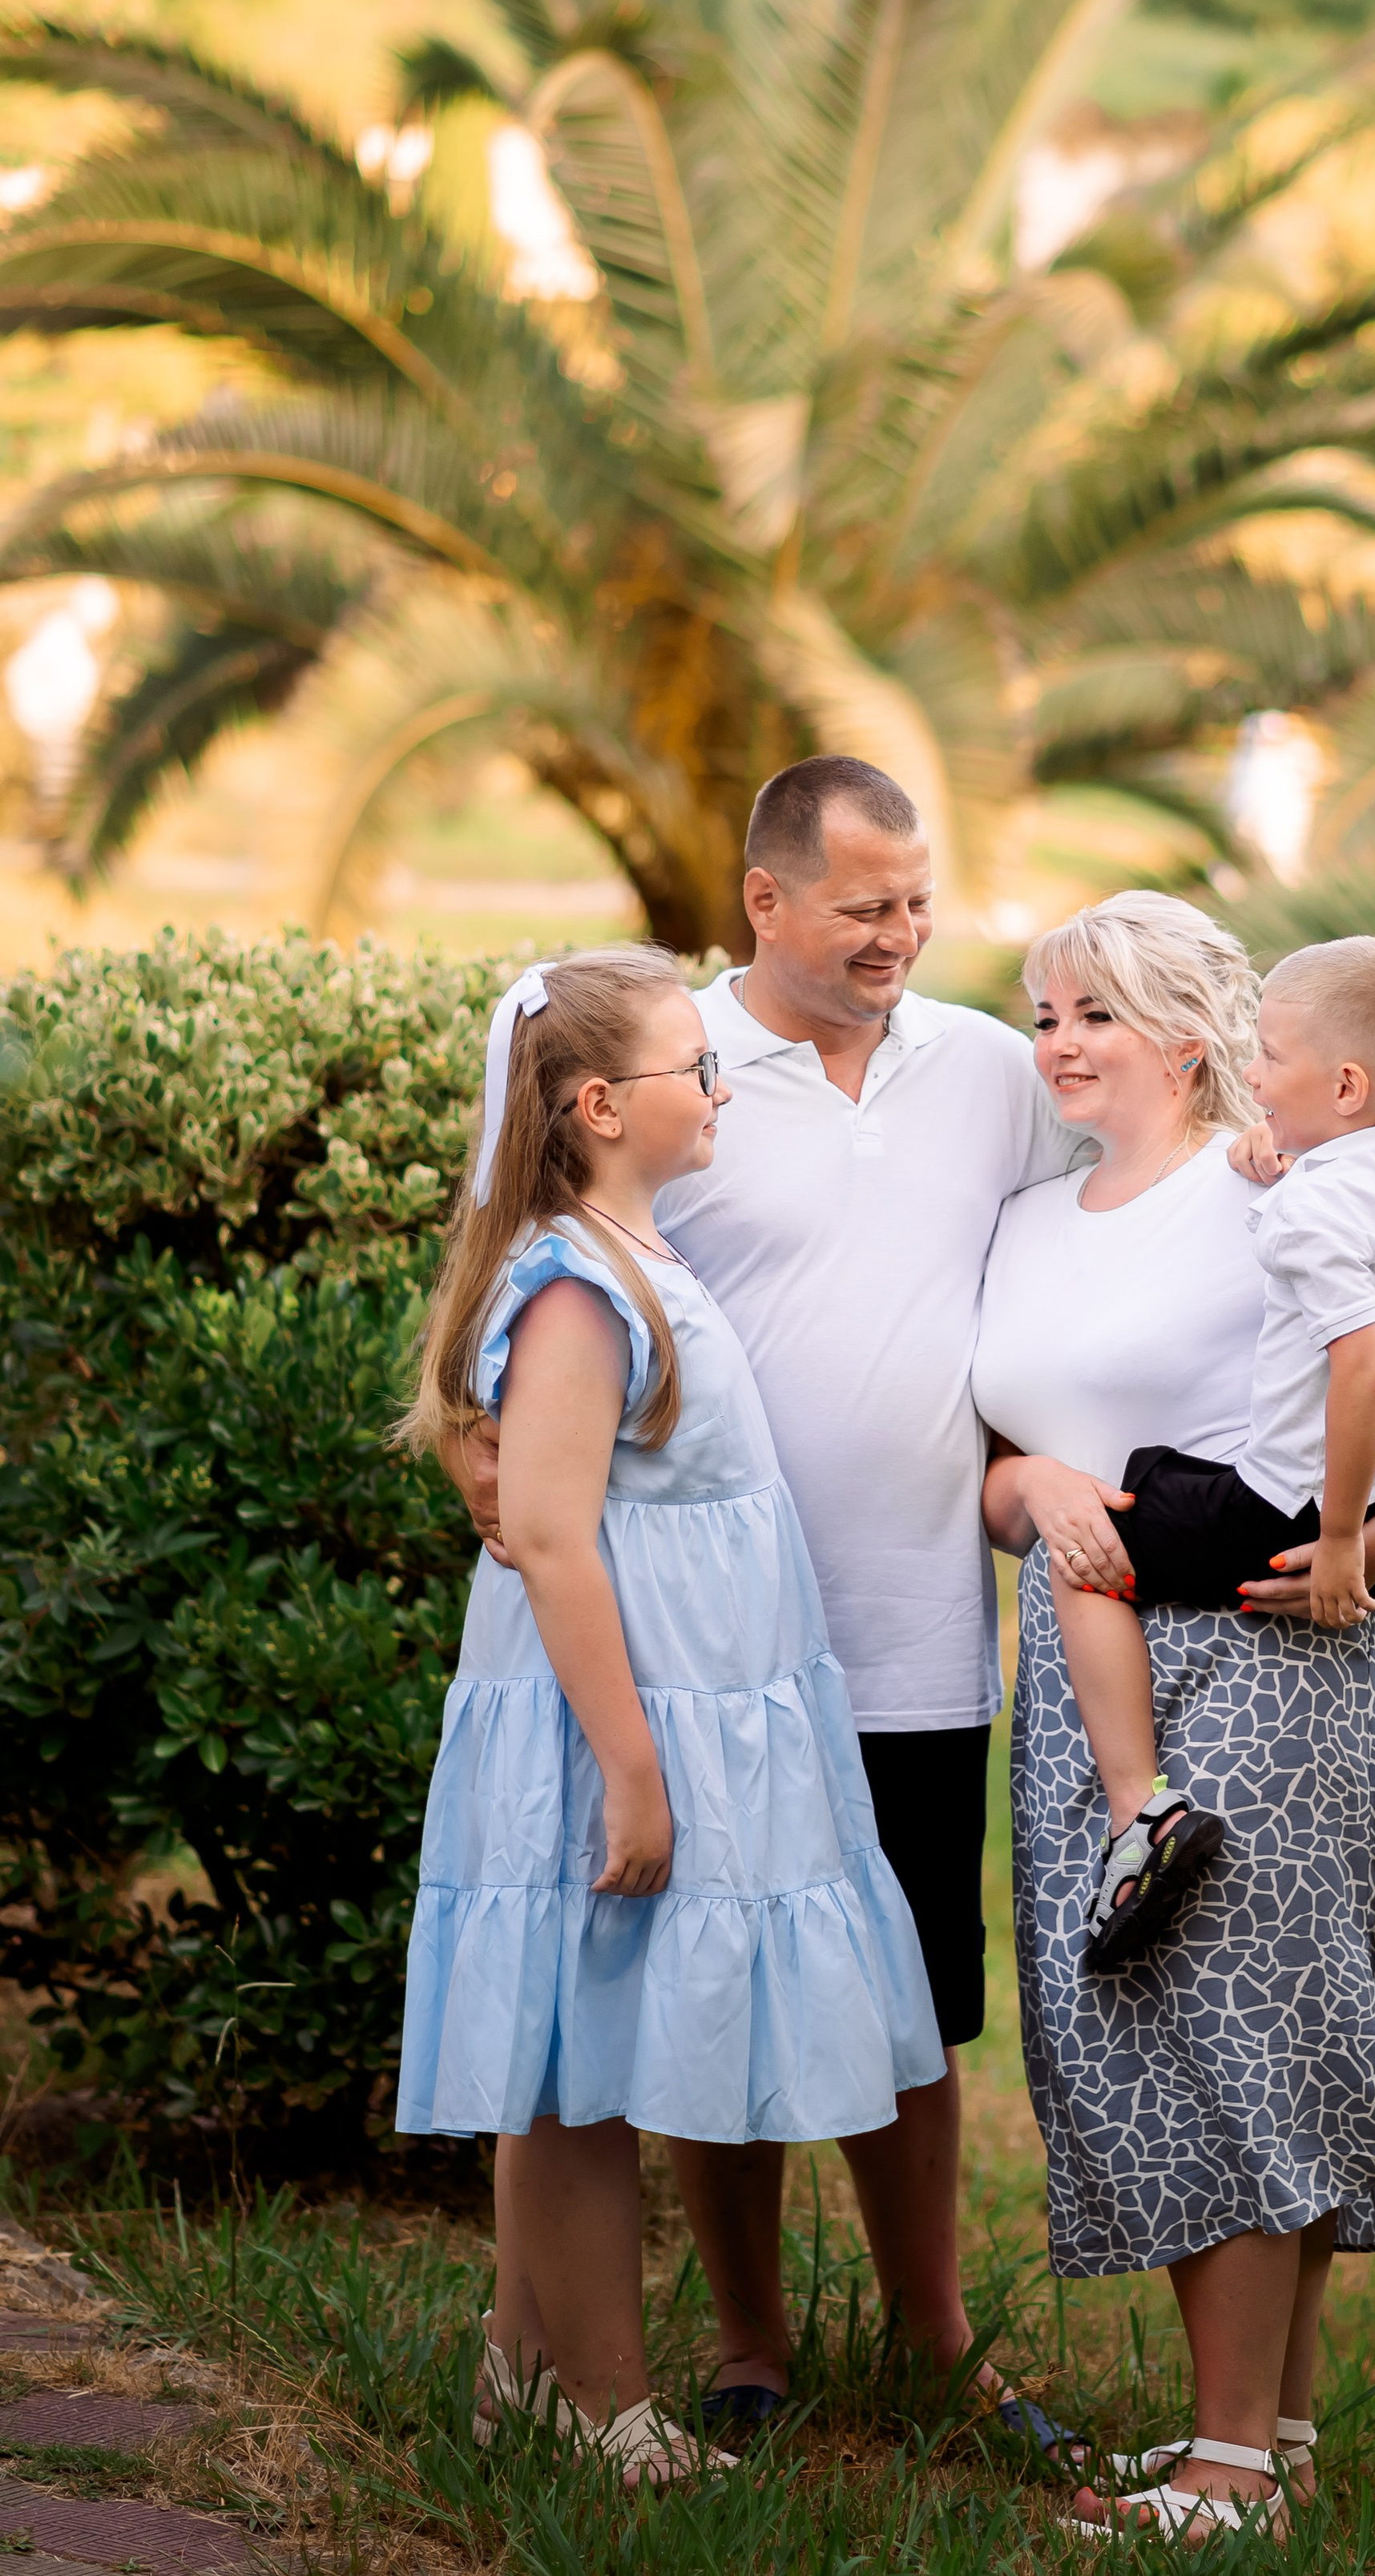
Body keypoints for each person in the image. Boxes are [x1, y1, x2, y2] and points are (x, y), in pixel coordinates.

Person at [444, 760, 1087, 2443]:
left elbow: (1125, 1198)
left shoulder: (988, 1071)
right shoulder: (669, 1064)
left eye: (916, 901)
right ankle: (746, 2347)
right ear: (766, 903)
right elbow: (498, 1312)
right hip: (693, 1648)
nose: (900, 934)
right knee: (713, 1976)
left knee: (907, 1994)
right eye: (864, 905)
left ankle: (932, 2337)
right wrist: (491, 1481)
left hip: (909, 1631)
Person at [974, 891, 1375, 2542]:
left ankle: (1225, 2463)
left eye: (1091, 1011)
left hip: (1259, 1656)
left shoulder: (1269, 1177)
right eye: (1041, 1014)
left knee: (1237, 2049)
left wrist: (1373, 1535)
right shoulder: (1024, 1211)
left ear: (1188, 1030)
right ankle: (1269, 2440)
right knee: (1165, 2045)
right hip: (1092, 1673)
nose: (1059, 1043)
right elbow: (998, 1430)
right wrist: (1018, 1477)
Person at [397, 945, 944, 2489]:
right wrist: (633, 1772)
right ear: (596, 1103)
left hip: (693, 1702)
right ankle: (616, 2411)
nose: (718, 1089)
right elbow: (556, 1537)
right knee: (573, 2081)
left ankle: (525, 2375)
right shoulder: (579, 1282)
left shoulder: (639, 1251)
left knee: (581, 2047)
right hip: (613, 1726)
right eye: (693, 1069)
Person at [1041, 926, 1375, 1985]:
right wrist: (1279, 1154)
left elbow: (1362, 1368)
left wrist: (1337, 1548)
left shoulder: (1306, 1209)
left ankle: (1139, 1813)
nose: (1251, 1074)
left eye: (1268, 1056)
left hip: (1291, 1510)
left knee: (1087, 1546)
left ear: (1344, 1080)